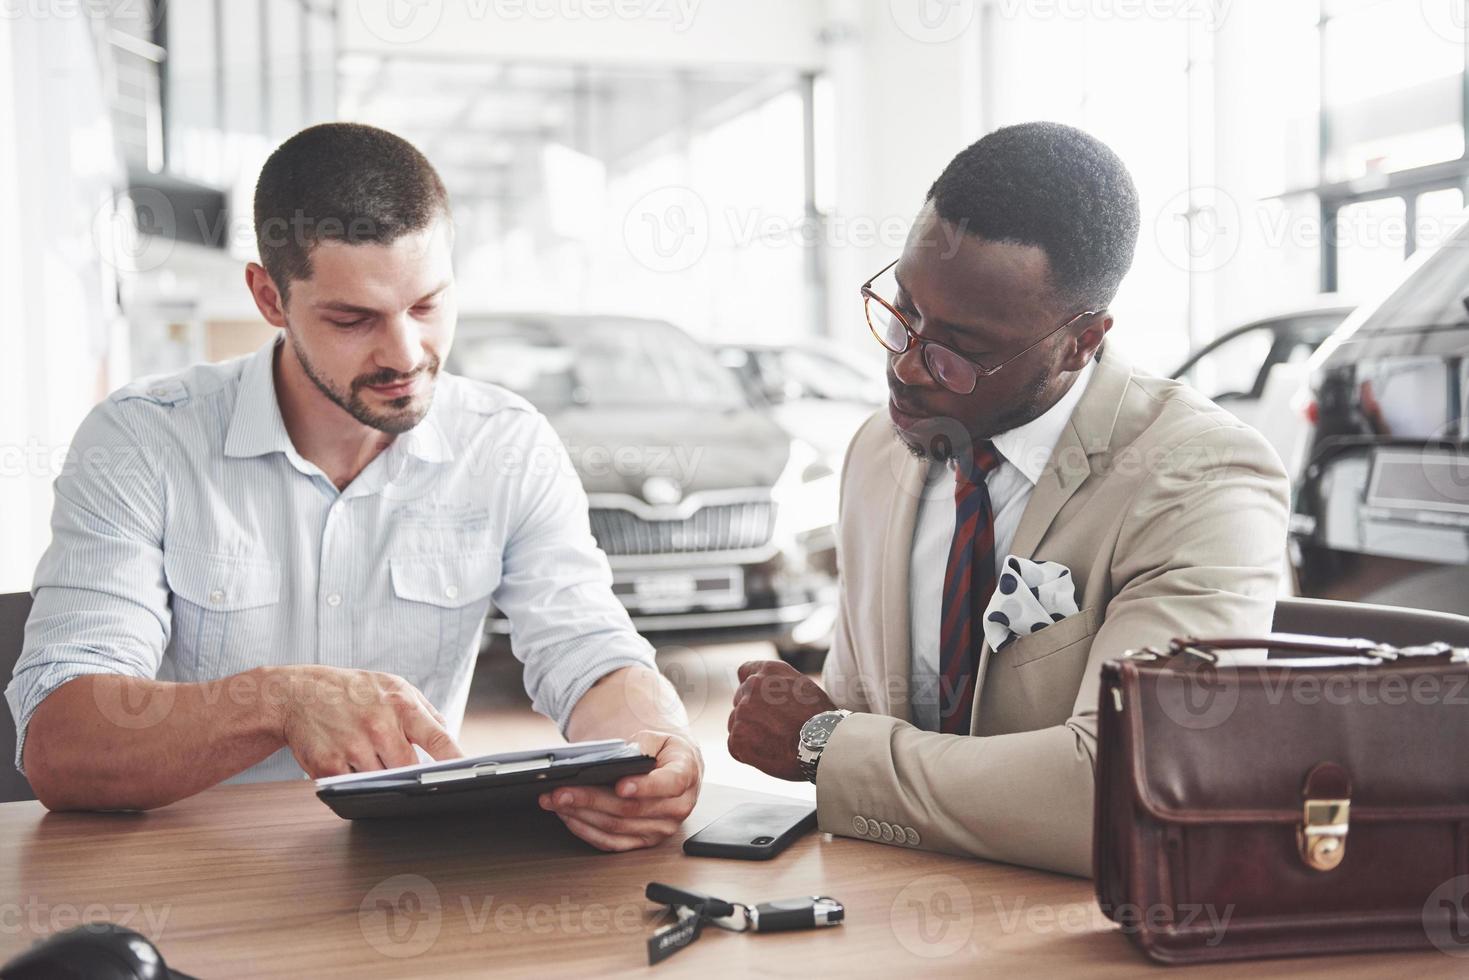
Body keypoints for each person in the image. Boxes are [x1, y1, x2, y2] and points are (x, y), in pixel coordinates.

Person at [8, 123, 700, 852]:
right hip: (194, 881)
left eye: (427, 305)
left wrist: (656, 747)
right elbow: (61, 744)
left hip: (407, 879)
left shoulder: (507, 443)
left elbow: (591, 653)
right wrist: (275, 700)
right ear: (269, 297)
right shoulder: (142, 441)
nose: (405, 353)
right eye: (353, 318)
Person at [726, 121, 1288, 876]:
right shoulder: (875, 450)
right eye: (902, 312)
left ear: (1079, 341)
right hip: (881, 912)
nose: (907, 367)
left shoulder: (1200, 478)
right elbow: (868, 716)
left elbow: (1125, 789)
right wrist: (817, 722)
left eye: (960, 350)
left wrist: (824, 744)